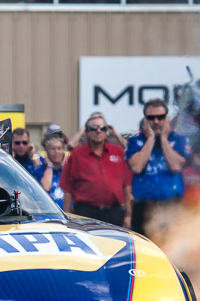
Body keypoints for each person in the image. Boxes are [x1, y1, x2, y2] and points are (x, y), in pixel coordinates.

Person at [125, 99, 190, 237]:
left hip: (171, 205)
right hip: (143, 206)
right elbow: (136, 167)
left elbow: (176, 166)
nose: (156, 121)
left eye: (160, 117)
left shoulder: (179, 140)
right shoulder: (135, 141)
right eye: (151, 118)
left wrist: (164, 139)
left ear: (166, 118)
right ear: (145, 119)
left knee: (172, 246)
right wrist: (151, 139)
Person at [59, 114, 132, 228]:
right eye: (93, 128)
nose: (98, 131)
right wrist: (67, 218)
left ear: (106, 131)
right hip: (86, 213)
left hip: (114, 212)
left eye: (102, 128)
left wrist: (128, 215)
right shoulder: (76, 156)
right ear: (87, 132)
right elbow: (67, 190)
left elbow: (126, 187)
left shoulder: (118, 152)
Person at [33, 130, 68, 208]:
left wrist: (65, 168)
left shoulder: (70, 169)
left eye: (59, 148)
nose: (56, 152)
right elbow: (45, 188)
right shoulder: (39, 170)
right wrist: (49, 167)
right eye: (53, 149)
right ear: (47, 151)